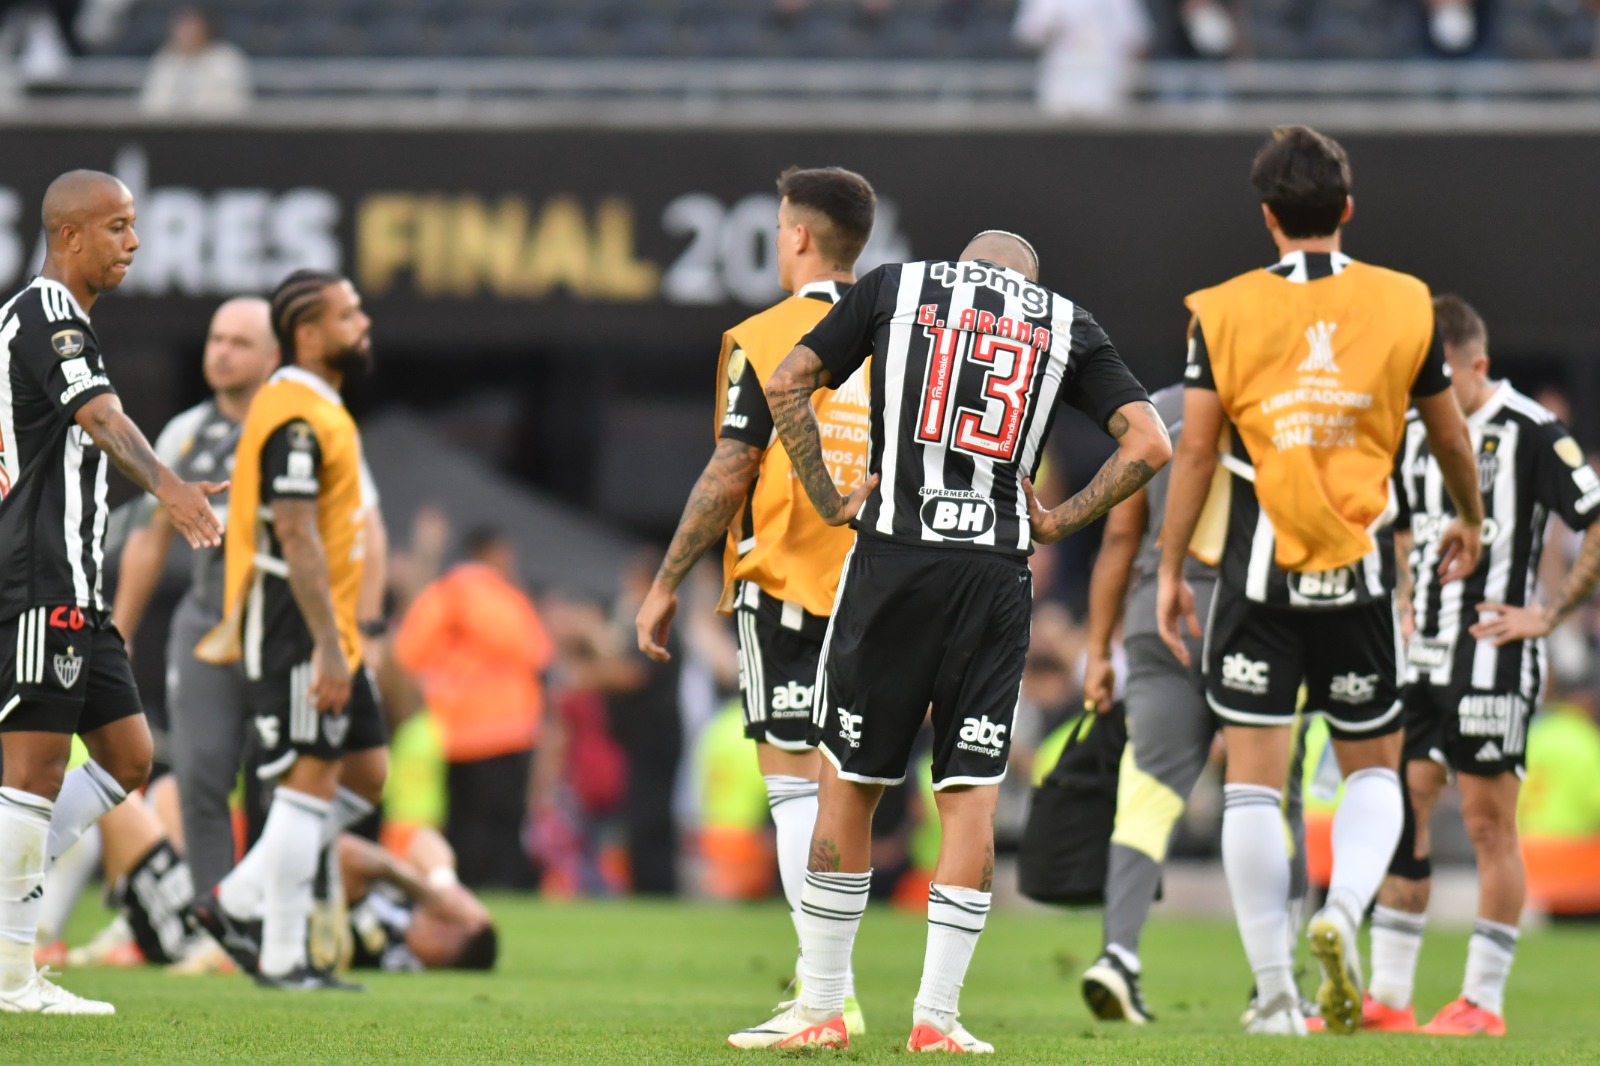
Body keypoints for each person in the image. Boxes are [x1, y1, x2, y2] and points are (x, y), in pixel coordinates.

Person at [730, 231, 1169, 1051]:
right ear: (1028, 281)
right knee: (969, 795)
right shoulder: (1065, 322)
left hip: (894, 561)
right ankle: (937, 1018)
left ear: (963, 265)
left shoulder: (898, 287)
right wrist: (1058, 520)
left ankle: (822, 1005)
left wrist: (829, 497)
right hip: (995, 577)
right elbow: (1150, 442)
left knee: (850, 783)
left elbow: (788, 381)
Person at [1156, 126, 1485, 1036]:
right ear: (1345, 211)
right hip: (1361, 571)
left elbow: (1194, 452)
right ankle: (1343, 913)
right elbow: (1451, 435)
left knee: (1256, 785)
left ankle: (1274, 993)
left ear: (1267, 219)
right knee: (1371, 765)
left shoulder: (1220, 311)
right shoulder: (1406, 303)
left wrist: (1174, 567)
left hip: (1258, 574)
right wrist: (1470, 515)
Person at [635, 167, 877, 1018]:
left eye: (780, 228)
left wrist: (666, 582)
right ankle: (836, 988)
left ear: (801, 237)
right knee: (851, 789)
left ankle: (823, 995)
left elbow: (730, 471)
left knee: (792, 790)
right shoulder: (903, 339)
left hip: (785, 586)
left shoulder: (765, 337)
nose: (778, 240)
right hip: (882, 593)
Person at [0, 169, 225, 1013]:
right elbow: (100, 419)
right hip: (39, 578)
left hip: (77, 588)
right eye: (119, 226)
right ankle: (12, 975)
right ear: (70, 237)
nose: (133, 242)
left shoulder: (56, 323)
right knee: (36, 770)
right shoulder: (46, 313)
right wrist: (169, 485)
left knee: (127, 758)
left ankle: (4, 911)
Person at [1362, 296, 1600, 1037]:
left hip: (1494, 651)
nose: (1425, 395)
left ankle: (1484, 1004)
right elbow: (1402, 529)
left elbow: (1593, 520)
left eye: (1437, 378)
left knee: (1488, 822)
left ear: (1479, 367)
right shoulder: (1411, 431)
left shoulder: (1532, 430)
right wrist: (1404, 597)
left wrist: (1551, 614)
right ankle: (1390, 998)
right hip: (1423, 650)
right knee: (1407, 808)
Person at [191, 269, 388, 991]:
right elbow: (296, 533)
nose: (363, 322)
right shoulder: (295, 415)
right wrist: (330, 645)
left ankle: (237, 898)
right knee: (308, 787)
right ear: (309, 333)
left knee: (365, 774)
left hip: (329, 624)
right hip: (297, 622)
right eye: (350, 313)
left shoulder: (317, 404)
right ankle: (280, 955)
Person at [112, 296, 278, 898]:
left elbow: (362, 528)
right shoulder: (185, 432)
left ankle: (277, 917)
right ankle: (217, 918)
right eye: (216, 340)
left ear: (273, 355)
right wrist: (120, 632)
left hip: (281, 624)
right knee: (202, 773)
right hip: (208, 622)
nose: (222, 353)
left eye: (239, 342)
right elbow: (148, 540)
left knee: (280, 782)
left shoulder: (301, 425)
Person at [393, 526, 553, 889]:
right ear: (492, 553)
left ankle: (462, 889)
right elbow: (537, 655)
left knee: (464, 818)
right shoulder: (508, 597)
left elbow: (408, 652)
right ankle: (506, 887)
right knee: (504, 820)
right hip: (511, 726)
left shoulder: (444, 595)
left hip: (458, 728)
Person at [1012, 0, 1152, 116]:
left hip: (1105, 85)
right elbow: (1027, 34)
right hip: (1061, 85)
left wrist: (1127, 80)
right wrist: (1050, 30)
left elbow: (1137, 38)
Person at [139, 6, 251, 117]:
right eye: (182, 26)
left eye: (191, 26)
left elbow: (236, 106)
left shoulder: (226, 60)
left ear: (205, 27)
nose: (186, 33)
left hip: (217, 131)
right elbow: (150, 105)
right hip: (168, 131)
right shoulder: (165, 59)